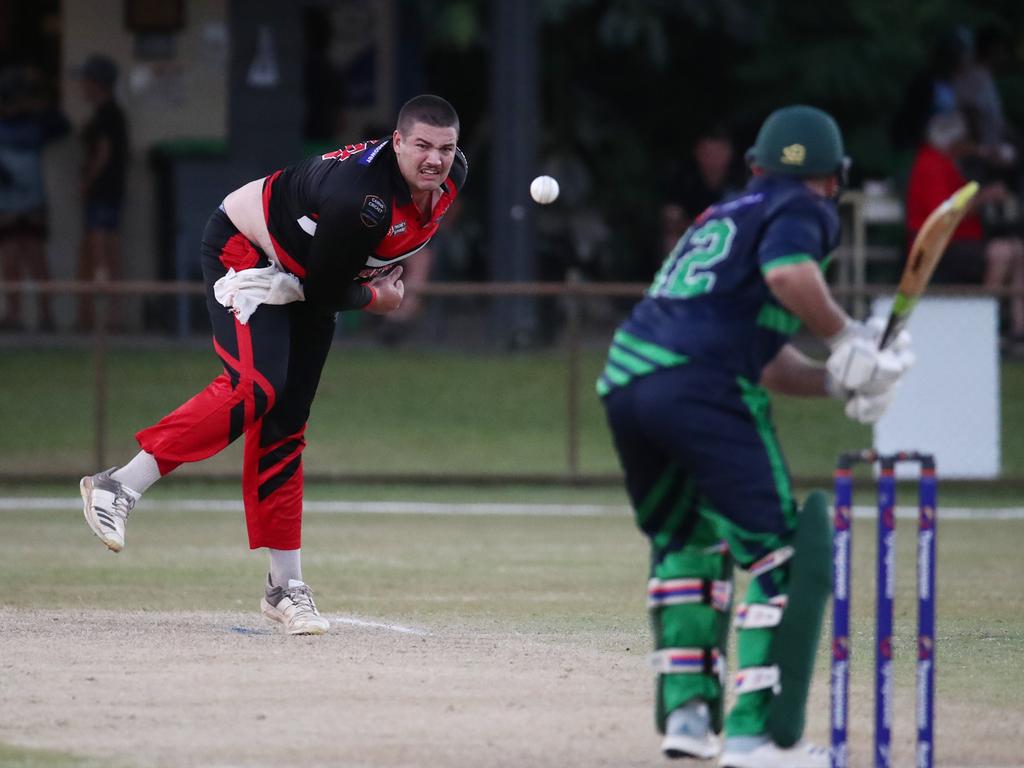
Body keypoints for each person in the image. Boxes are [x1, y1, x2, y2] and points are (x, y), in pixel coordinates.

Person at [79, 94, 468, 635]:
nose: (435, 159)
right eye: (421, 145)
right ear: (395, 142)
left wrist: (372, 278)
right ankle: (119, 484)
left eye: (445, 148)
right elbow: (332, 289)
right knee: (256, 386)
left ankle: (284, 586)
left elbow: (344, 272)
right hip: (248, 250)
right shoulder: (363, 197)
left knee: (286, 423)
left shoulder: (451, 178)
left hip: (312, 275)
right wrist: (378, 300)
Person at [597, 105, 914, 768]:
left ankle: (687, 716)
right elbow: (790, 276)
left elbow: (764, 356)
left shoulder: (722, 215)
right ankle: (756, 735)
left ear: (754, 166)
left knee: (686, 542)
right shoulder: (808, 207)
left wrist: (836, 381)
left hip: (628, 376)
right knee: (784, 558)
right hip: (703, 385)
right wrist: (846, 337)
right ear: (835, 177)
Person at [906, 111, 1024, 343]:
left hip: (962, 240)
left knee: (1018, 250)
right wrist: (985, 197)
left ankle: (1019, 329)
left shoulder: (946, 162)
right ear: (951, 141)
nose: (966, 145)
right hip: (940, 245)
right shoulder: (931, 164)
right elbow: (946, 212)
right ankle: (983, 327)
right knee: (1001, 253)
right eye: (962, 140)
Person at [0, 64, 69, 331]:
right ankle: (14, 314)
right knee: (11, 259)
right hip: (7, 202)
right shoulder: (9, 125)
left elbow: (61, 124)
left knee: (35, 258)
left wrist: (37, 101)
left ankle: (45, 314)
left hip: (31, 201)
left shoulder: (35, 122)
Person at [73, 54, 128, 331]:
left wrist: (87, 181)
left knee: (101, 253)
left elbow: (104, 153)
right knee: (104, 251)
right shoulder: (107, 113)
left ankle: (106, 320)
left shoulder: (107, 114)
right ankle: (106, 317)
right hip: (108, 192)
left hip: (103, 192)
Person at [661, 126, 745, 257]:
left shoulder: (741, 180)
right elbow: (672, 218)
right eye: (708, 152)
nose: (714, 159)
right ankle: (671, 273)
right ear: (697, 152)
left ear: (730, 152)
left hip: (731, 237)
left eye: (719, 152)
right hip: (694, 236)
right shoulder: (684, 180)